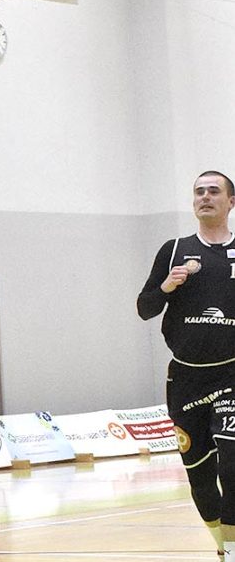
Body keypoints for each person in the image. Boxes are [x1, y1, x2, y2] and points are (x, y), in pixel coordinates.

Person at [138, 170, 235, 562]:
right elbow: (145, 308)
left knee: (232, 464)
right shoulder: (174, 250)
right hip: (185, 378)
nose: (205, 197)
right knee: (200, 475)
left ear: (230, 202)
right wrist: (166, 287)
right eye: (199, 192)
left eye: (214, 191)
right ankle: (222, 545)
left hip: (230, 373)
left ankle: (233, 550)